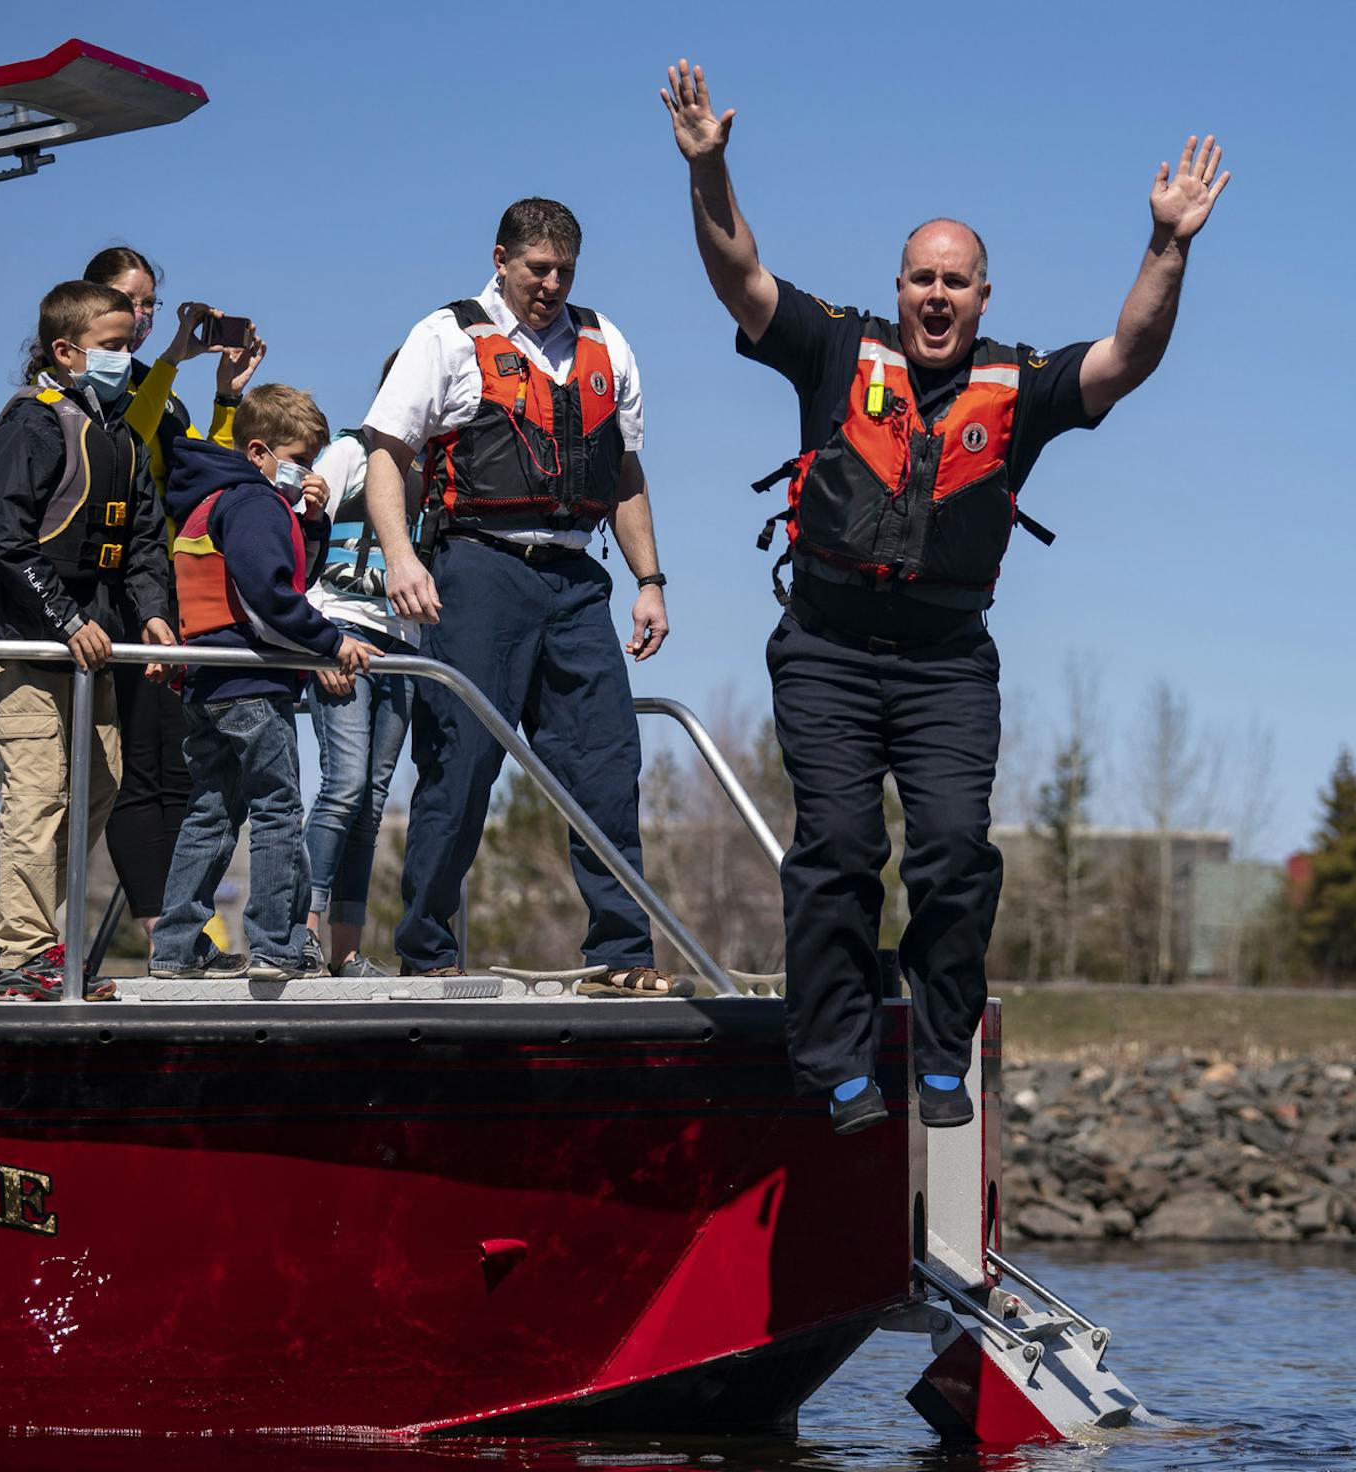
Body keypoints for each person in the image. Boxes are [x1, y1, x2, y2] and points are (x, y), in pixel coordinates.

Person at [663, 59, 1232, 1131]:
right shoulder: (835, 348)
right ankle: (831, 1061)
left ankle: (939, 1050)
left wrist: (1168, 245)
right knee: (836, 847)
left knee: (955, 851)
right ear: (899, 288)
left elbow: (1130, 354)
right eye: (921, 278)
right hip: (828, 649)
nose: (936, 295)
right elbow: (740, 275)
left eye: (956, 281)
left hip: (944, 665)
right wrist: (709, 170)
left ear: (982, 296)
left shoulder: (1022, 389)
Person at [359, 198, 673, 986]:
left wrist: (650, 581)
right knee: (460, 766)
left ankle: (622, 954)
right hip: (479, 570)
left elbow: (626, 474)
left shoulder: (608, 343)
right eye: (538, 269)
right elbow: (387, 453)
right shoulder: (447, 336)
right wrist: (402, 559)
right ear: (501, 258)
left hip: (574, 578)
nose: (553, 285)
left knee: (606, 764)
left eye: (565, 271)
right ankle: (427, 952)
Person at [0, 280, 176, 1001]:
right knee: (39, 792)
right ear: (66, 351)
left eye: (131, 346)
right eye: (114, 347)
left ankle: (11, 926)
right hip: (31, 644)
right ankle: (26, 953)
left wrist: (154, 613)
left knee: (101, 783)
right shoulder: (33, 423)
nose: (127, 358)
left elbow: (145, 538)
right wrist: (65, 617)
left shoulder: (122, 434)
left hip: (96, 646)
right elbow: (3, 534)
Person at [152, 384, 375, 981]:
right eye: (298, 456)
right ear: (258, 451)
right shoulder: (253, 503)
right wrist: (332, 642)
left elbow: (274, 572)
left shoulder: (209, 499)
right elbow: (272, 597)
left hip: (206, 683)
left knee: (211, 810)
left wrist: (313, 521)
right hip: (251, 680)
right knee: (277, 808)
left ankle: (174, 947)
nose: (305, 471)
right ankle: (277, 944)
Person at [83, 246, 263, 960]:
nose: (147, 316)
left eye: (154, 304)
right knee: (141, 766)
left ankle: (183, 927)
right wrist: (174, 362)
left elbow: (197, 479)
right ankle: (164, 929)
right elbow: (125, 436)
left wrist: (225, 396)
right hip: (118, 591)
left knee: (185, 763)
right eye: (133, 302)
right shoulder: (87, 385)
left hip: (172, 595)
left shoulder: (165, 391)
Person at [300, 355, 416, 978]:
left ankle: (345, 949)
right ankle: (301, 932)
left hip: (404, 645)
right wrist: (314, 643)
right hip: (341, 631)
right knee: (342, 786)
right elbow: (296, 532)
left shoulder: (443, 468)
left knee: (372, 800)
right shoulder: (352, 450)